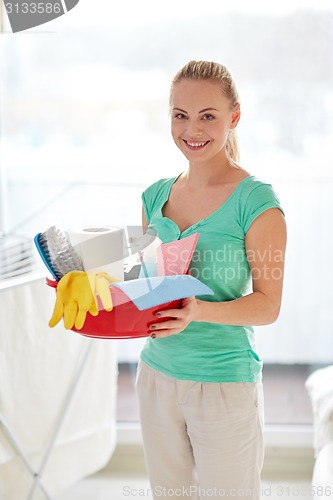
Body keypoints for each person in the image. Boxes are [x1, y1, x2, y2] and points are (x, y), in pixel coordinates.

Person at [135, 60, 287, 500]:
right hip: (157, 375)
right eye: (180, 115)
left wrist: (197, 310)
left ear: (233, 117)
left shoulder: (257, 201)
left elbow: (267, 304)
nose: (192, 130)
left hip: (223, 383)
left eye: (208, 116)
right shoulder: (154, 195)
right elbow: (142, 278)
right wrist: (91, 283)